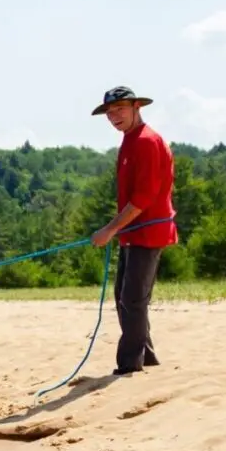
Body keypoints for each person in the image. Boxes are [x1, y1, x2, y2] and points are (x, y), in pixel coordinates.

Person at [90, 86, 178, 376]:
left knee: (133, 299)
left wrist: (108, 230)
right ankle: (147, 356)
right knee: (123, 296)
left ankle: (129, 365)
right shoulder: (129, 141)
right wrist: (118, 230)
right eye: (110, 112)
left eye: (120, 109)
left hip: (149, 232)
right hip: (131, 232)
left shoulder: (148, 141)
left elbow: (143, 197)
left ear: (137, 106)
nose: (114, 116)